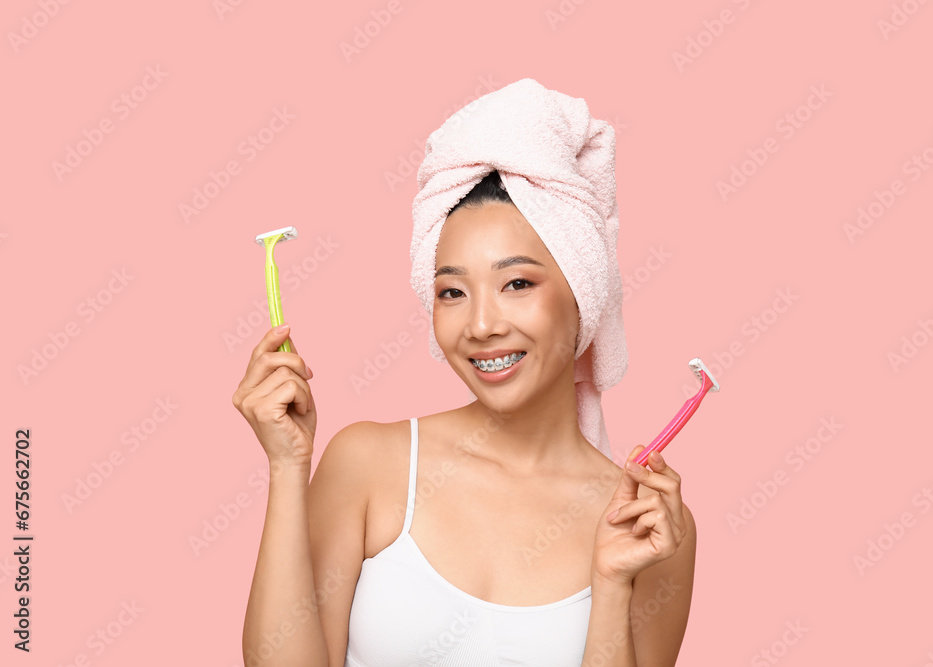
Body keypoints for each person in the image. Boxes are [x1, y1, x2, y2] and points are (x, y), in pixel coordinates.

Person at [233, 81, 696, 666]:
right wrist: (285, 465)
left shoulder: (646, 525)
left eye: (518, 284)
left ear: (584, 293)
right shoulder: (370, 464)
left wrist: (609, 584)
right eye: (452, 291)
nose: (480, 325)